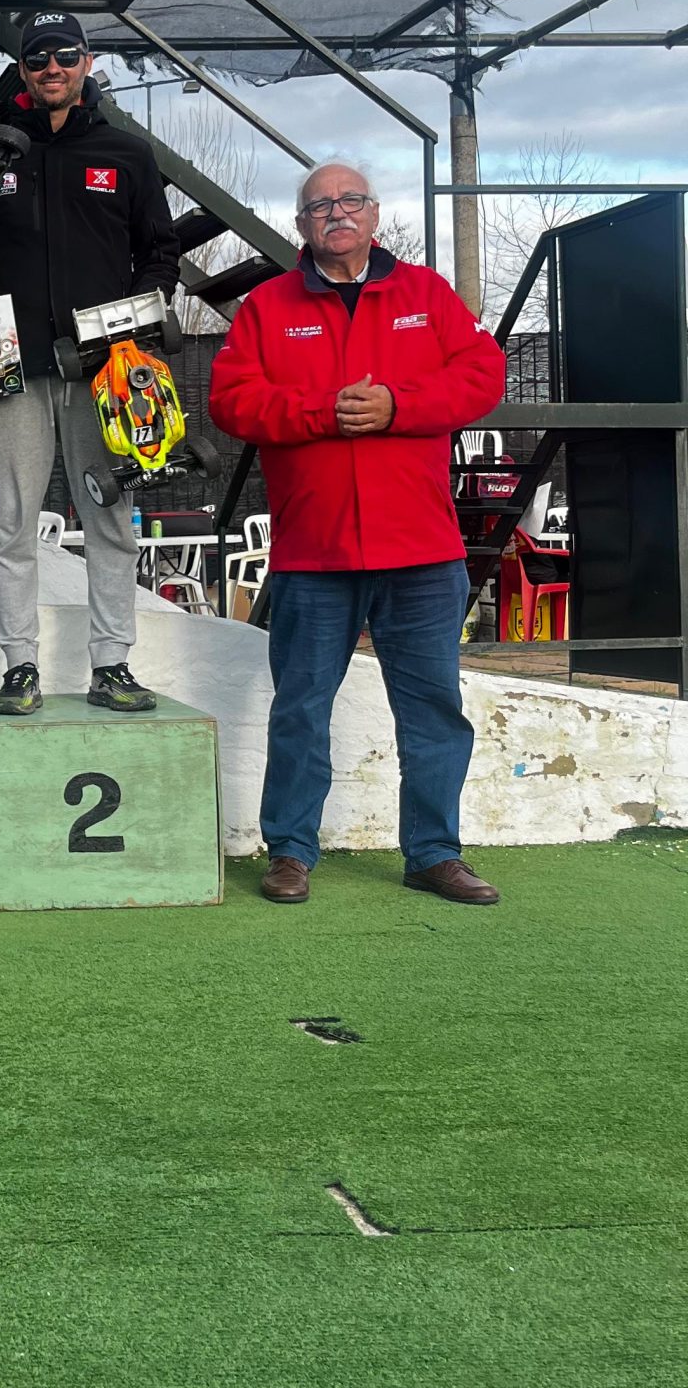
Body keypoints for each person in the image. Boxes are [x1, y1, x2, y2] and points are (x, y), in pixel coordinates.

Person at [208, 162, 507, 905]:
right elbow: (231, 401)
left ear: (374, 214)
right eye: (319, 206)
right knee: (301, 709)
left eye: (350, 201)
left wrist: (398, 405)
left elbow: (484, 375)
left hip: (423, 550)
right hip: (315, 550)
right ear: (301, 225)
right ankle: (290, 851)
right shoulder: (266, 307)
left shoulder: (427, 295)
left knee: (433, 710)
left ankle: (434, 853)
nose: (336, 213)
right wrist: (322, 413)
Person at [0, 11, 179, 715]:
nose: (52, 69)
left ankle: (112, 663)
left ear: (87, 63)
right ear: (24, 72)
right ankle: (19, 666)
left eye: (65, 55)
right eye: (38, 59)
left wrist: (136, 331)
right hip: (5, 360)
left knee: (109, 514)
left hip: (104, 369)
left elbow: (159, 253)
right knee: (10, 520)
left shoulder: (127, 153)